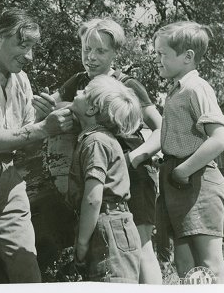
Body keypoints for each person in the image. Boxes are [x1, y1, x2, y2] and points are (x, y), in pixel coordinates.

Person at [33, 18, 163, 283]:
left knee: (140, 246)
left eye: (100, 51)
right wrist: (44, 108)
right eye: (85, 50)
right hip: (99, 176)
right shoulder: (79, 82)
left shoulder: (128, 84)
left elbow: (163, 128)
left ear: (115, 52)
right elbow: (49, 111)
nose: (90, 58)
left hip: (133, 173)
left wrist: (134, 159)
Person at [0, 8, 73, 283]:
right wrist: (42, 128)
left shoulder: (20, 78)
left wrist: (41, 120)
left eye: (32, 47)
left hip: (9, 178)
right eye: (23, 45)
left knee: (25, 263)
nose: (29, 56)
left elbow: (26, 146)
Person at [153, 21, 224, 283]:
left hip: (198, 182)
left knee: (209, 262)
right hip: (178, 184)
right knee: (185, 264)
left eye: (162, 54)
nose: (157, 59)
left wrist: (183, 169)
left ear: (187, 57)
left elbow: (219, 138)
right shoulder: (176, 90)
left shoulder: (197, 88)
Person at [67, 75, 142, 283]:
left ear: (92, 109)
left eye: (85, 92)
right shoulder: (99, 138)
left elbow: (93, 198)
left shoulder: (95, 142)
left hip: (108, 228)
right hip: (111, 225)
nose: (78, 92)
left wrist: (82, 244)